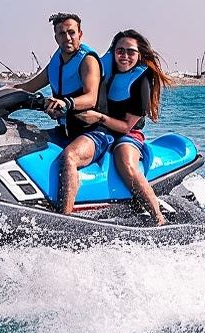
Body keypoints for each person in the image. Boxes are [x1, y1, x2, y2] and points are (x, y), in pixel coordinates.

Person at [74, 29, 173, 225]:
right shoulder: (104, 68)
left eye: (131, 52)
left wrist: (99, 117)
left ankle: (158, 218)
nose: (124, 56)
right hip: (100, 131)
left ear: (139, 54)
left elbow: (127, 126)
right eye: (120, 51)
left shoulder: (141, 81)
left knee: (125, 162)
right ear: (113, 51)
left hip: (128, 134)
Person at [14, 12, 104, 214]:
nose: (67, 38)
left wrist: (66, 102)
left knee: (69, 157)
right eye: (62, 33)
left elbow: (91, 98)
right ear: (56, 37)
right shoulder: (57, 61)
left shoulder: (87, 60)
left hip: (94, 132)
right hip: (65, 131)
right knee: (24, 141)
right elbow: (29, 86)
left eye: (72, 32)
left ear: (80, 34)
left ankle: (65, 216)